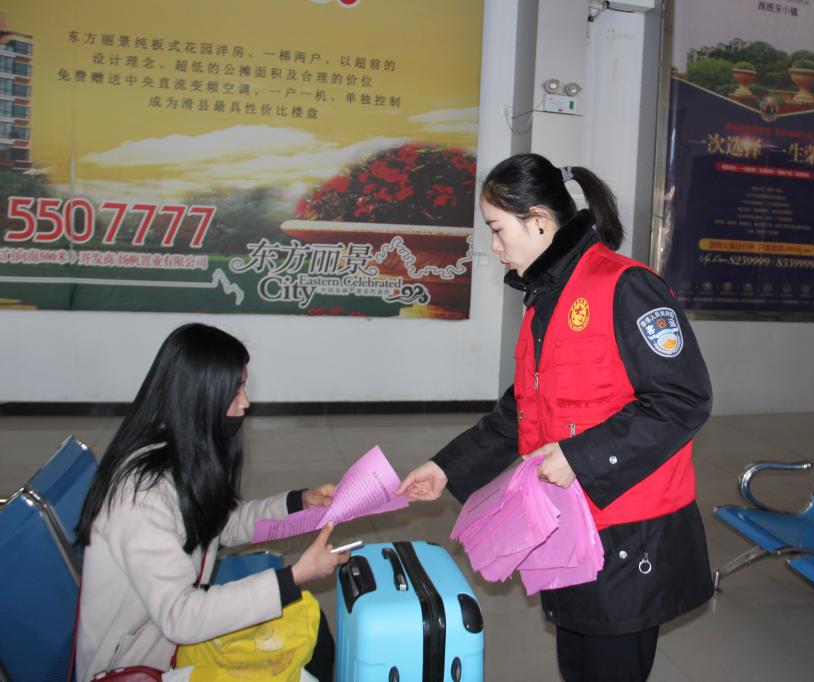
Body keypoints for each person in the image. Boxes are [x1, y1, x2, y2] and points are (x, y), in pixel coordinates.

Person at [397, 153, 714, 682]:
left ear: (540, 221)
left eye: (498, 229)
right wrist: (446, 467)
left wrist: (580, 456)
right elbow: (522, 408)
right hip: (568, 528)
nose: (495, 247)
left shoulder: (625, 287)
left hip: (626, 536)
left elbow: (682, 400)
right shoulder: (544, 299)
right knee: (577, 666)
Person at [75, 323, 350, 681]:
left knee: (311, 629)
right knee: (304, 656)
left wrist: (299, 504)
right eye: (236, 390)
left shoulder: (177, 452)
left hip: (169, 641)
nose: (245, 402)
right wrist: (294, 577)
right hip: (138, 666)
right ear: (200, 397)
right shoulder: (140, 494)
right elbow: (181, 616)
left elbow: (224, 524)